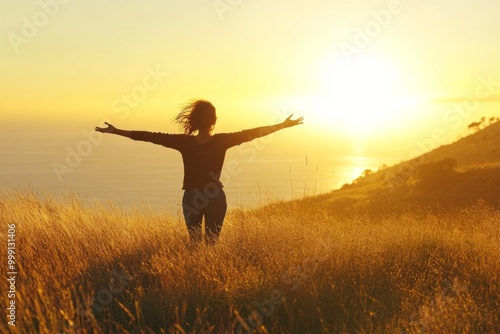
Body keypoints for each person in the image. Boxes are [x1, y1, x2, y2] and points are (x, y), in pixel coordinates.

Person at [95, 99, 303, 244]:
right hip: (215, 196)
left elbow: (150, 136)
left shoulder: (184, 142)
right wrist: (282, 125)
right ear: (213, 121)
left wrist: (116, 131)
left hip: (192, 197)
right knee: (211, 245)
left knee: (194, 246)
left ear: (195, 120)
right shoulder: (222, 141)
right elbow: (253, 134)